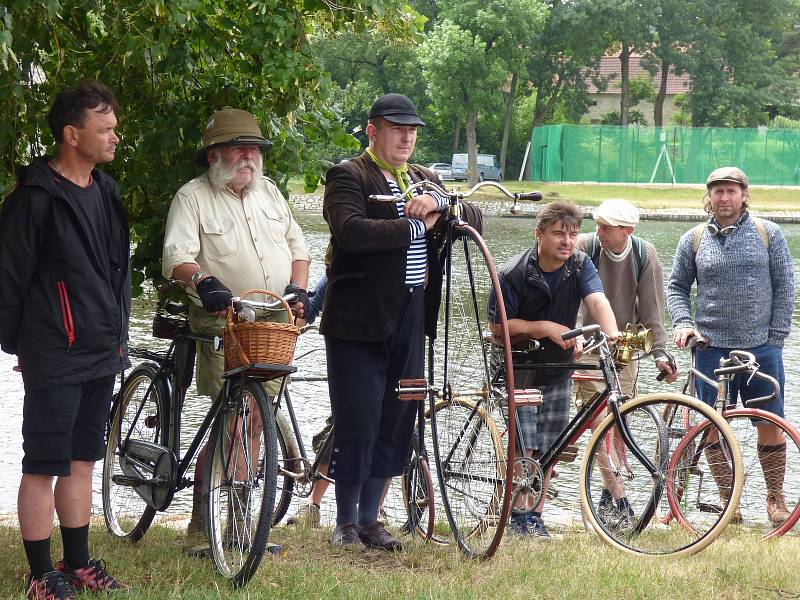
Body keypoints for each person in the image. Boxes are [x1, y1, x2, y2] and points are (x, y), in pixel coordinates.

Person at [321, 93, 483, 550]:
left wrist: (440, 205)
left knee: (397, 418)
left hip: (411, 315)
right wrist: (418, 226)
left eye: (412, 130)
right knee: (359, 417)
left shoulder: (423, 179)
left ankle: (371, 519)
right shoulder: (347, 175)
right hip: (358, 319)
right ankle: (345, 521)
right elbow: (350, 232)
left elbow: (472, 216)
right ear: (373, 131)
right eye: (397, 128)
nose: (407, 137)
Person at [0, 80, 129, 599]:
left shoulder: (106, 190)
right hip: (54, 350)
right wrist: (21, 346)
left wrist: (119, 334)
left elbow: (117, 270)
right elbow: (8, 277)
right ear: (72, 135)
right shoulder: (34, 198)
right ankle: (39, 576)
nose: (115, 137)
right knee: (43, 464)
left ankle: (76, 563)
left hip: (101, 348)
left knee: (82, 460)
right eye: (105, 129)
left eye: (115, 127)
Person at [162, 107, 310, 556]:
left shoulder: (269, 193)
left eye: (254, 149)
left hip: (273, 319)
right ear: (214, 155)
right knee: (231, 421)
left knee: (256, 422)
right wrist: (203, 281)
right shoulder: (192, 197)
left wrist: (297, 292)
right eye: (238, 149)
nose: (249, 157)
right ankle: (200, 527)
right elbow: (175, 256)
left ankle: (241, 523)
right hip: (220, 320)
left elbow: (298, 248)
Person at [667, 166, 795, 525]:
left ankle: (775, 499)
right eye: (717, 192)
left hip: (760, 349)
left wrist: (776, 337)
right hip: (709, 348)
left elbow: (785, 286)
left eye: (731, 191)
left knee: (769, 424)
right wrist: (683, 324)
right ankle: (729, 502)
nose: (724, 198)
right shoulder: (692, 239)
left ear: (744, 195)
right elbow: (677, 286)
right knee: (709, 426)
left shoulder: (768, 233)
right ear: (708, 197)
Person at [489, 201, 618, 539]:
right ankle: (516, 514)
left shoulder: (579, 264)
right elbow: (496, 328)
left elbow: (597, 300)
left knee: (550, 446)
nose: (567, 241)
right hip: (520, 366)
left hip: (558, 367)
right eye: (559, 233)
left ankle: (534, 516)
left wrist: (613, 333)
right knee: (525, 444)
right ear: (539, 234)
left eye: (573, 234)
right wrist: (543, 326)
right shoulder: (512, 272)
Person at [574, 199, 678, 525]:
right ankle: (620, 500)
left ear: (627, 231)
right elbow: (571, 300)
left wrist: (660, 353)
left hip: (624, 344)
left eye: (606, 227)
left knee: (621, 420)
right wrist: (572, 338)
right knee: (598, 420)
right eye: (597, 224)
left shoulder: (644, 255)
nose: (599, 232)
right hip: (586, 342)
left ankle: (606, 498)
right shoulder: (586, 247)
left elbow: (652, 310)